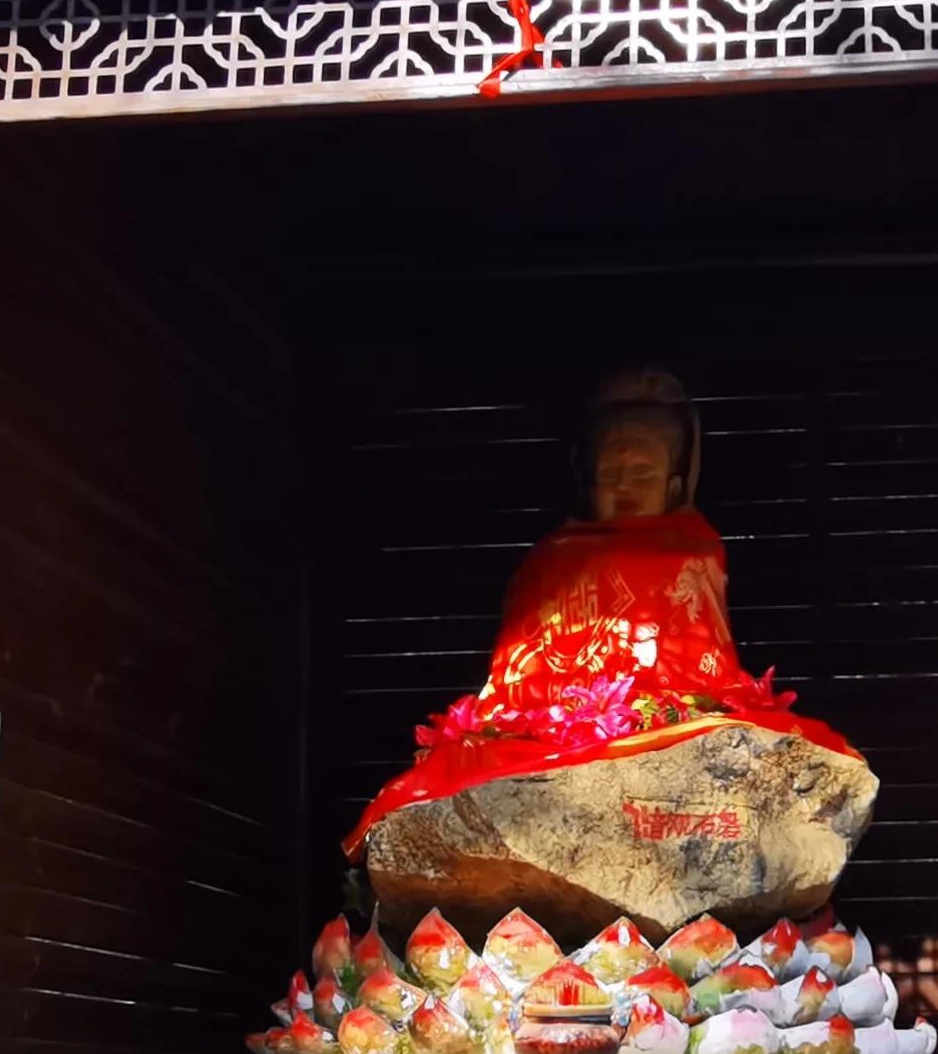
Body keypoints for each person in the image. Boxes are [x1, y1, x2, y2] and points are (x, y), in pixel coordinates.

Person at [344, 368, 865, 873]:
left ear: (674, 483)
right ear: (589, 483)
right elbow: (522, 661)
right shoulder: (553, 557)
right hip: (557, 719)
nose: (626, 487)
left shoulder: (692, 550)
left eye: (643, 474)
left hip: (664, 711)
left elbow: (699, 653)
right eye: (612, 476)